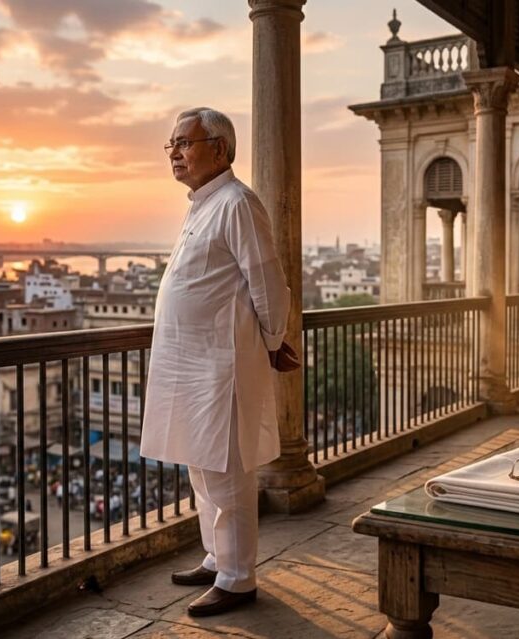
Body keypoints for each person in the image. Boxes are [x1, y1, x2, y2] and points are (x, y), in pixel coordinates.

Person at [140, 107, 290, 617]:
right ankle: (217, 558)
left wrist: (273, 340)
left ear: (220, 149)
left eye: (185, 142)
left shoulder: (237, 203)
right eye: (172, 144)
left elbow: (266, 280)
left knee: (227, 472)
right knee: (201, 468)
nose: (175, 153)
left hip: (221, 365)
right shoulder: (204, 204)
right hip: (192, 363)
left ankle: (238, 578)